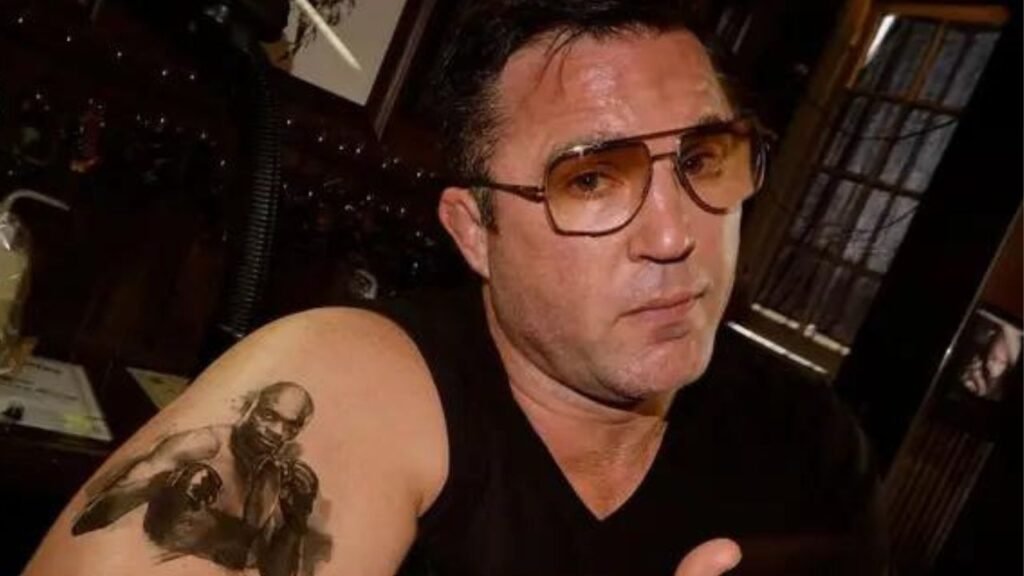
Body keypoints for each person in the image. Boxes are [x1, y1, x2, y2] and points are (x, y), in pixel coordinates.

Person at [26, 1, 885, 575]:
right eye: (590, 180)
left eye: (702, 160)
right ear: (474, 230)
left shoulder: (811, 444)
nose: (673, 235)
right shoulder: (354, 380)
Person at [69, 382, 320, 575]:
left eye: (291, 426)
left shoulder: (273, 477)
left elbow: (266, 569)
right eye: (268, 415)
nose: (277, 432)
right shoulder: (202, 445)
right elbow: (89, 521)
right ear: (248, 406)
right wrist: (166, 483)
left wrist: (296, 520)